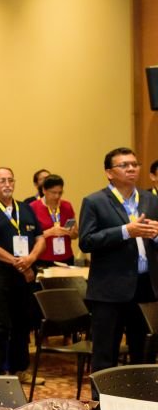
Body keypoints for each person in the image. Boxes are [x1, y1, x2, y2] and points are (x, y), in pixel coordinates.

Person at [79, 148, 158, 374]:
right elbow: (86, 241)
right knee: (106, 354)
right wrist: (125, 231)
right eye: (124, 165)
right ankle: (102, 397)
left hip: (146, 287)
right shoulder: (95, 201)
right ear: (109, 173)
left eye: (134, 164)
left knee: (144, 354)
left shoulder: (151, 200)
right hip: (109, 290)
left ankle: (140, 395)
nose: (131, 169)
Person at [0, 167, 45, 381]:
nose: (7, 184)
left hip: (25, 275)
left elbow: (40, 238)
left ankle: (19, 369)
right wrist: (16, 262)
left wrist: (30, 258)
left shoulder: (25, 208)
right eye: (2, 180)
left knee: (22, 324)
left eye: (10, 180)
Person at [29, 174, 78, 267]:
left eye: (60, 193)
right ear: (44, 190)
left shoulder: (67, 206)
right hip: (43, 259)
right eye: (53, 192)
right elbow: (29, 237)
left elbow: (75, 235)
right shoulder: (33, 207)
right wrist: (49, 232)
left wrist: (71, 233)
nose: (57, 196)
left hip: (66, 258)